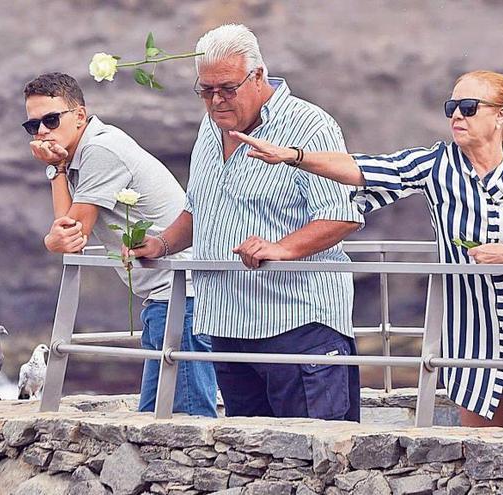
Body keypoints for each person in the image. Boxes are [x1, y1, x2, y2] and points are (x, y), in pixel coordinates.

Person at [233, 71, 503, 430]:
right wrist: (294, 156)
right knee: (483, 463)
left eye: (468, 107)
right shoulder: (437, 165)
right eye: (452, 107)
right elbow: (366, 169)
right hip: (474, 341)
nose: (456, 116)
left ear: (500, 115)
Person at [129, 24, 364, 421]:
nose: (216, 100)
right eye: (205, 91)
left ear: (258, 75)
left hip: (298, 326)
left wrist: (281, 248)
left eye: (227, 89)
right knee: (250, 462)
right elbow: (200, 208)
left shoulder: (310, 125)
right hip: (227, 327)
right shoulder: (211, 125)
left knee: (313, 462)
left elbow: (342, 216)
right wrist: (163, 244)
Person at [22, 72, 217, 417]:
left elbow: (71, 236)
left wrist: (53, 239)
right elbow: (70, 230)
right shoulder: (80, 155)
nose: (41, 132)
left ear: (79, 116)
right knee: (155, 422)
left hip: (182, 298)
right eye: (32, 125)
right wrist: (57, 170)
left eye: (51, 120)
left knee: (188, 422)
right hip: (168, 299)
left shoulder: (99, 150)